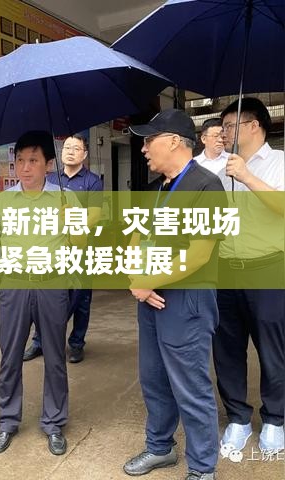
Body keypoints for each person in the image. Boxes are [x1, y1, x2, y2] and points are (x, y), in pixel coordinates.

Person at [0, 131, 83, 456]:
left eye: (33, 160)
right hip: (14, 285)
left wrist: (72, 222)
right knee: (10, 355)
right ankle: (7, 421)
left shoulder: (65, 198)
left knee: (55, 356)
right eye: (20, 161)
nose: (25, 167)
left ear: (48, 164)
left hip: (52, 284)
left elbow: (81, 244)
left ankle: (54, 423)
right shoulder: (3, 202)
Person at [123, 109, 226, 480]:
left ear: (172, 141)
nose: (144, 148)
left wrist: (149, 280)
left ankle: (202, 468)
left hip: (187, 300)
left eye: (149, 140)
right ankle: (160, 447)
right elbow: (136, 238)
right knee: (153, 377)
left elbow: (199, 253)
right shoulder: (156, 190)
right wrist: (136, 278)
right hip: (150, 298)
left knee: (190, 383)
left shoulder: (206, 186)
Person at [213, 97, 284, 453]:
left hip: (268, 267)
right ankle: (238, 418)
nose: (223, 133)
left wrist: (247, 177)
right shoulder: (221, 170)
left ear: (254, 125)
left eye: (229, 126)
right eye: (222, 127)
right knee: (226, 349)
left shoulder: (279, 162)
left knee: (273, 348)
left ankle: (275, 418)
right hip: (226, 269)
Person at [23, 134, 103, 363]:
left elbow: (95, 215)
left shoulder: (92, 182)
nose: (70, 151)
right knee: (46, 296)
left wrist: (73, 227)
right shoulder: (50, 179)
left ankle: (76, 343)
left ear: (84, 154)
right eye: (67, 147)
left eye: (76, 148)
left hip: (80, 249)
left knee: (80, 298)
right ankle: (40, 341)